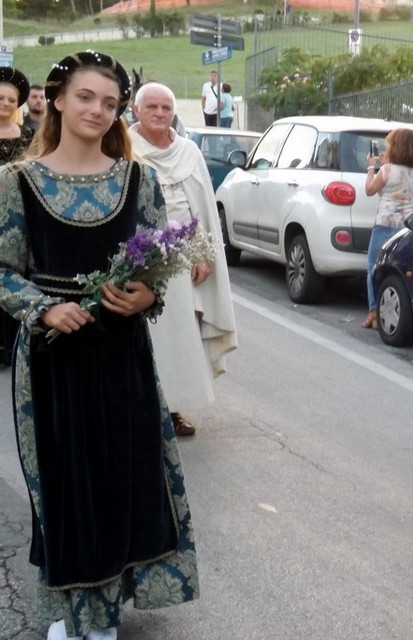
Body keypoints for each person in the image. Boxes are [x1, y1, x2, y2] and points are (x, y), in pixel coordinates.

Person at [0, 50, 199, 640]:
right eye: (86, 97)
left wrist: (145, 297)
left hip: (121, 357)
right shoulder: (16, 183)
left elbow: (157, 267)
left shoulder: (139, 179)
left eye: (111, 103)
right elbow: (3, 269)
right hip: (52, 362)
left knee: (121, 478)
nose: (98, 110)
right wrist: (43, 308)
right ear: (57, 99)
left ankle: (105, 613)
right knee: (65, 490)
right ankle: (71, 610)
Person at [130, 81, 239, 437]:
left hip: (181, 259)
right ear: (136, 110)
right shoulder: (123, 148)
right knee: (144, 337)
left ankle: (173, 409)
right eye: (153, 108)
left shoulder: (189, 152)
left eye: (166, 108)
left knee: (179, 338)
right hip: (139, 256)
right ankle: (140, 408)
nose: (161, 114)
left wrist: (203, 255)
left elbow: (202, 210)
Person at [361, 128, 413, 328]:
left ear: (396, 147)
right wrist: (386, 162)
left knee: (374, 268)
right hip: (407, 227)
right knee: (398, 271)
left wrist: (371, 167)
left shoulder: (387, 170)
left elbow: (370, 189)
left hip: (385, 225)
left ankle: (374, 311)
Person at [0, 68, 36, 368]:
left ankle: (12, 343)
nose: (5, 103)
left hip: (20, 217)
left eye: (10, 99)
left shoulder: (29, 135)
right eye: (0, 97)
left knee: (16, 275)